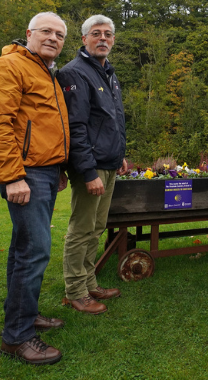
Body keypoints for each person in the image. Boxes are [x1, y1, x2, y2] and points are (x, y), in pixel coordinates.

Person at [0, 12, 69, 365]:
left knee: (24, 249)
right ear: (28, 33)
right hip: (24, 173)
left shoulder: (46, 73)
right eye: (46, 31)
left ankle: (24, 316)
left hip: (43, 171)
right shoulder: (8, 66)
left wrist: (57, 169)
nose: (53, 38)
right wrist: (13, 176)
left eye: (59, 35)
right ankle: (17, 337)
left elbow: (46, 127)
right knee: (35, 251)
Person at [57, 15, 128, 315]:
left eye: (108, 34)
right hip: (91, 166)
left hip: (108, 163)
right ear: (84, 39)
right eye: (96, 34)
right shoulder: (75, 73)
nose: (103, 39)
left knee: (97, 227)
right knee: (82, 228)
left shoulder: (107, 73)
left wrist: (118, 155)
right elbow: (76, 127)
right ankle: (75, 291)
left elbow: (109, 122)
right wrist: (87, 171)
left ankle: (89, 283)